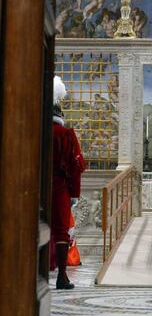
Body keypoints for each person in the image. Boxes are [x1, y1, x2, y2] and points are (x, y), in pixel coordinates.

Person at [51, 76, 85, 290]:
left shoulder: (33, 132)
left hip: (33, 184)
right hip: (58, 186)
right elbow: (76, 166)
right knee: (61, 230)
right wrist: (74, 192)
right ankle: (61, 276)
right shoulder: (65, 134)